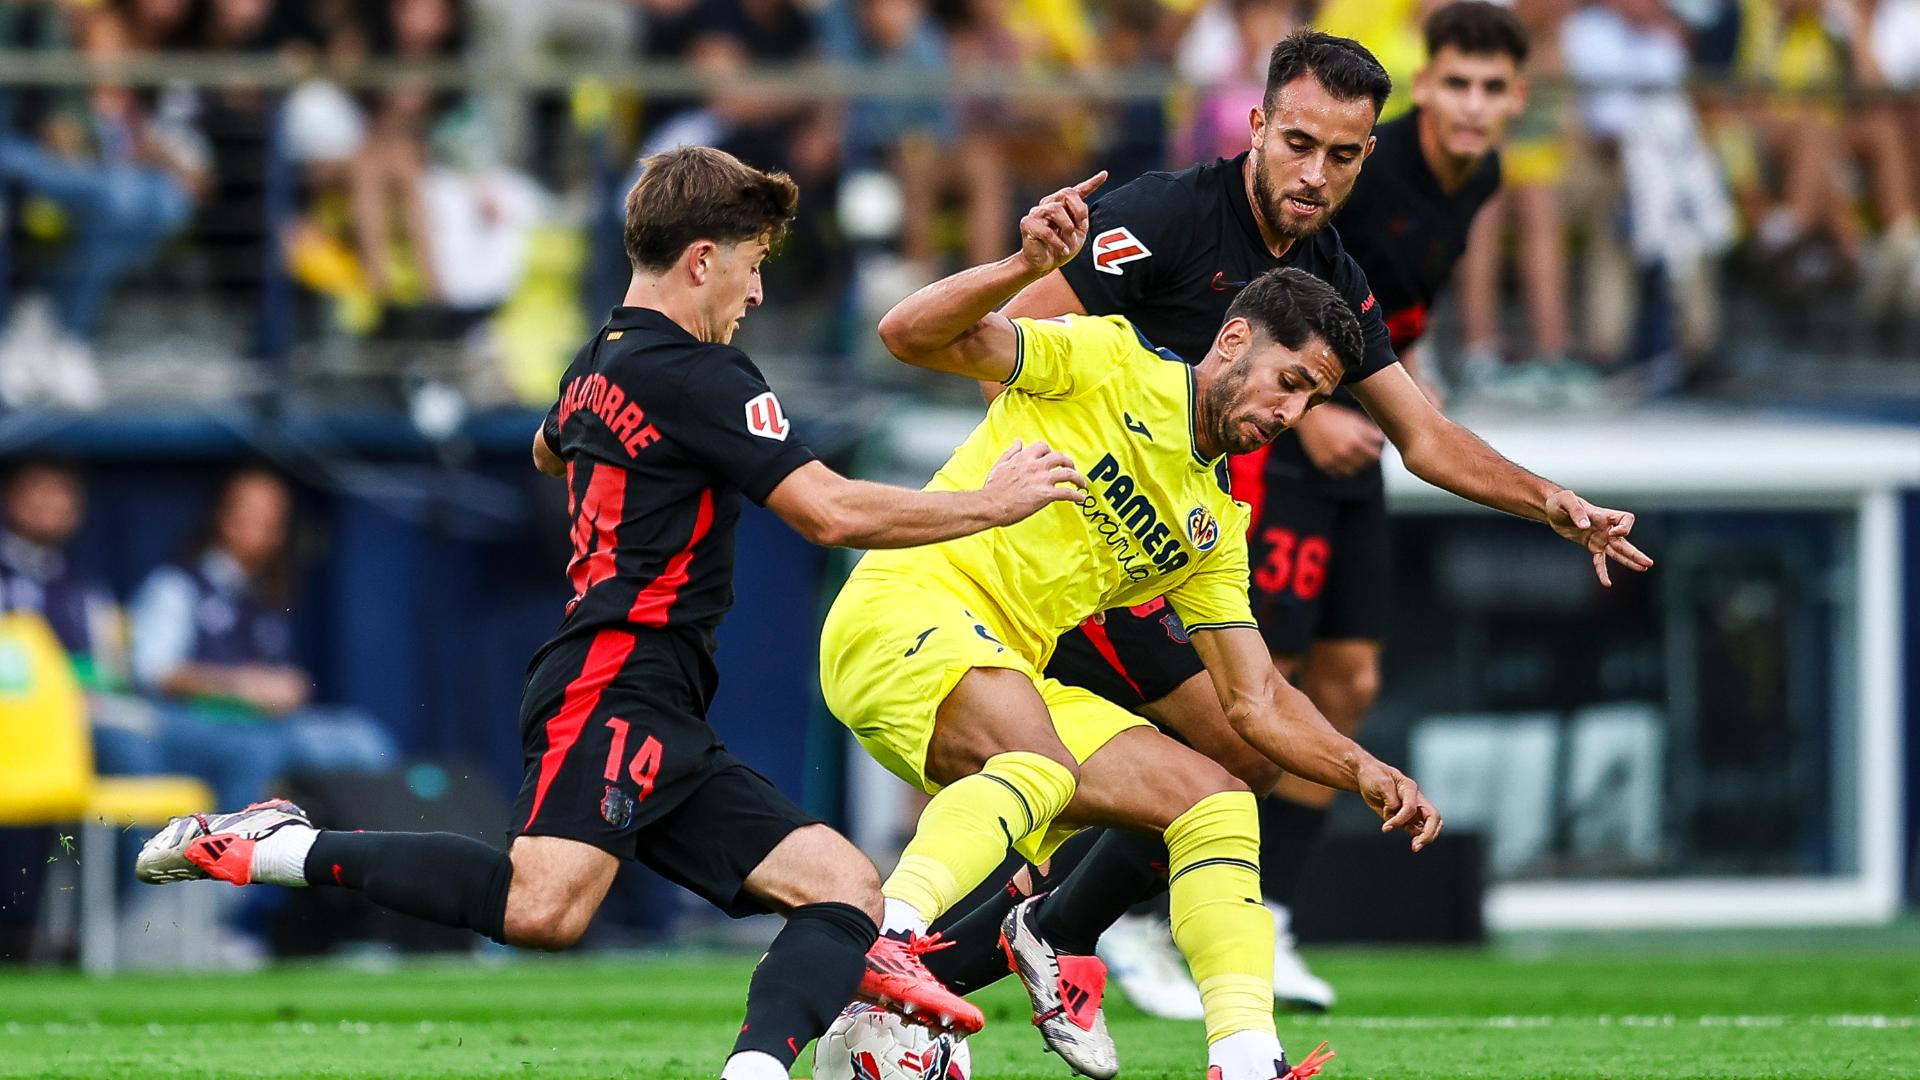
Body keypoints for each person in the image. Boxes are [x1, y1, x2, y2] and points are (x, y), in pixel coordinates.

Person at [136, 146, 1084, 1080]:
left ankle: (757, 1070)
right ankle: (283, 847)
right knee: (543, 909)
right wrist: (991, 504)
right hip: (616, 673)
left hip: (656, 691)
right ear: (703, 259)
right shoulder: (705, 377)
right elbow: (829, 512)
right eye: (752, 266)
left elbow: (553, 450)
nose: (756, 295)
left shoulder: (598, 360)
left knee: (843, 887)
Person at [916, 22, 1646, 1035]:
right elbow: (1000, 344)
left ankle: (997, 947)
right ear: (1256, 124)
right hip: (1061, 542)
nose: (1315, 172)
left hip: (1166, 557)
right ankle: (1007, 942)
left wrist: (1554, 503)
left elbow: (1424, 437)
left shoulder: (1336, 278)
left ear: (1366, 156)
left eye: (1342, 155)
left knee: (1233, 763)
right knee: (1166, 773)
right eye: (1297, 143)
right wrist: (1025, 489)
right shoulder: (1163, 216)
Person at [821, 175, 1444, 1080]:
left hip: (1011, 670)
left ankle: (1244, 1056)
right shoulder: (1105, 358)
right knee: (1030, 760)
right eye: (1290, 383)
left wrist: (1365, 769)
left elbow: (1258, 700)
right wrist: (1018, 266)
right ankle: (895, 941)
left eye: (1313, 402)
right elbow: (909, 334)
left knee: (1217, 800)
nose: (1291, 415)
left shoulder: (1213, 519)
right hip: (902, 611)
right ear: (1233, 338)